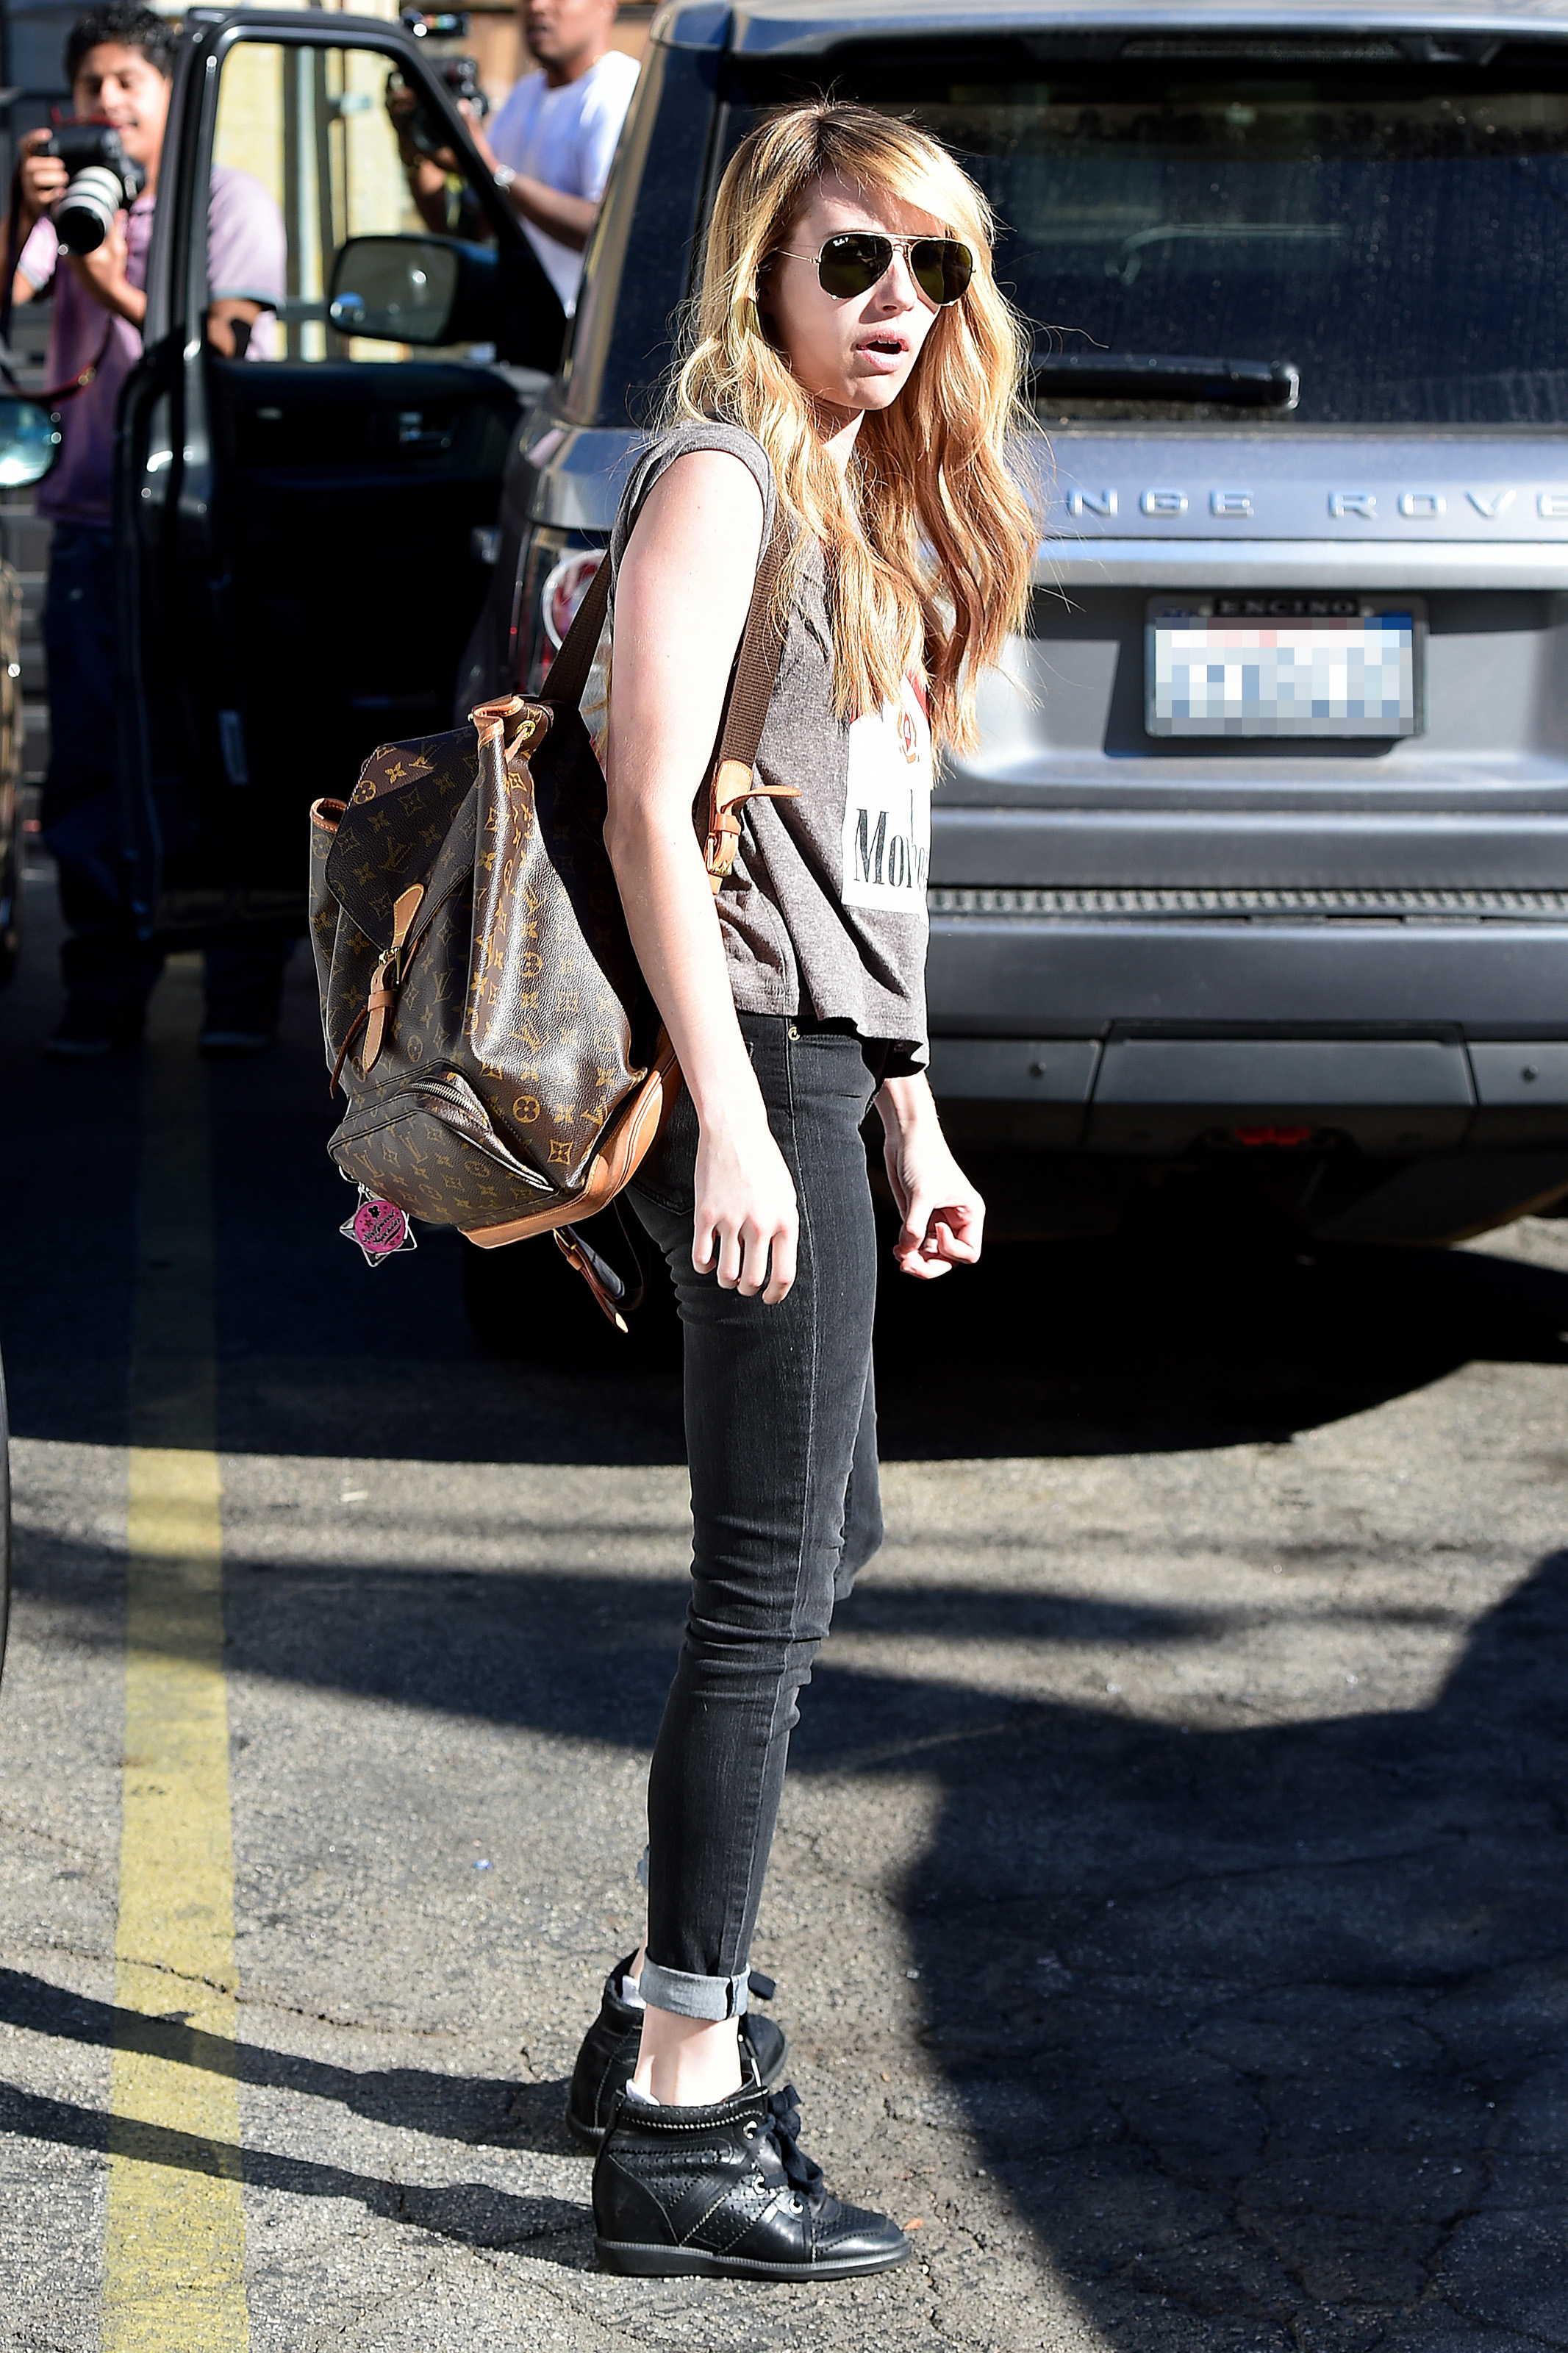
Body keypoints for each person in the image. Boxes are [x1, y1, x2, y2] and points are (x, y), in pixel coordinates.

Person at [566, 101, 1037, 2278]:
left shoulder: (876, 499)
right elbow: (645, 808)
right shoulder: (721, 479)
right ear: (765, 258)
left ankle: (651, 2012)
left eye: (933, 267)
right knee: (763, 1586)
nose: (893, 303)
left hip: (829, 1072)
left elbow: (878, 865)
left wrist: (909, 1108)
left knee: (827, 1537)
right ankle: (683, 2096)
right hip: (743, 1061)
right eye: (853, 258)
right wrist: (738, 1120)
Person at [7, 3, 288, 1057]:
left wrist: (101, 274)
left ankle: (240, 987)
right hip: (91, 517)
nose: (110, 101)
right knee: (88, 763)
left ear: (173, 94)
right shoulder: (74, 199)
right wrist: (23, 209)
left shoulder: (227, 199)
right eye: (92, 85)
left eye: (130, 80)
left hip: (200, 523)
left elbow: (222, 344)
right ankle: (104, 987)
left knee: (219, 751)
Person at [395, 0, 637, 314]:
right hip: (523, 324)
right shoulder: (525, 94)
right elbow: (466, 229)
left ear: (607, 5)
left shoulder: (620, 92)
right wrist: (415, 150)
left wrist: (494, 172)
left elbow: (609, 231)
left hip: (586, 330)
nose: (537, 6)